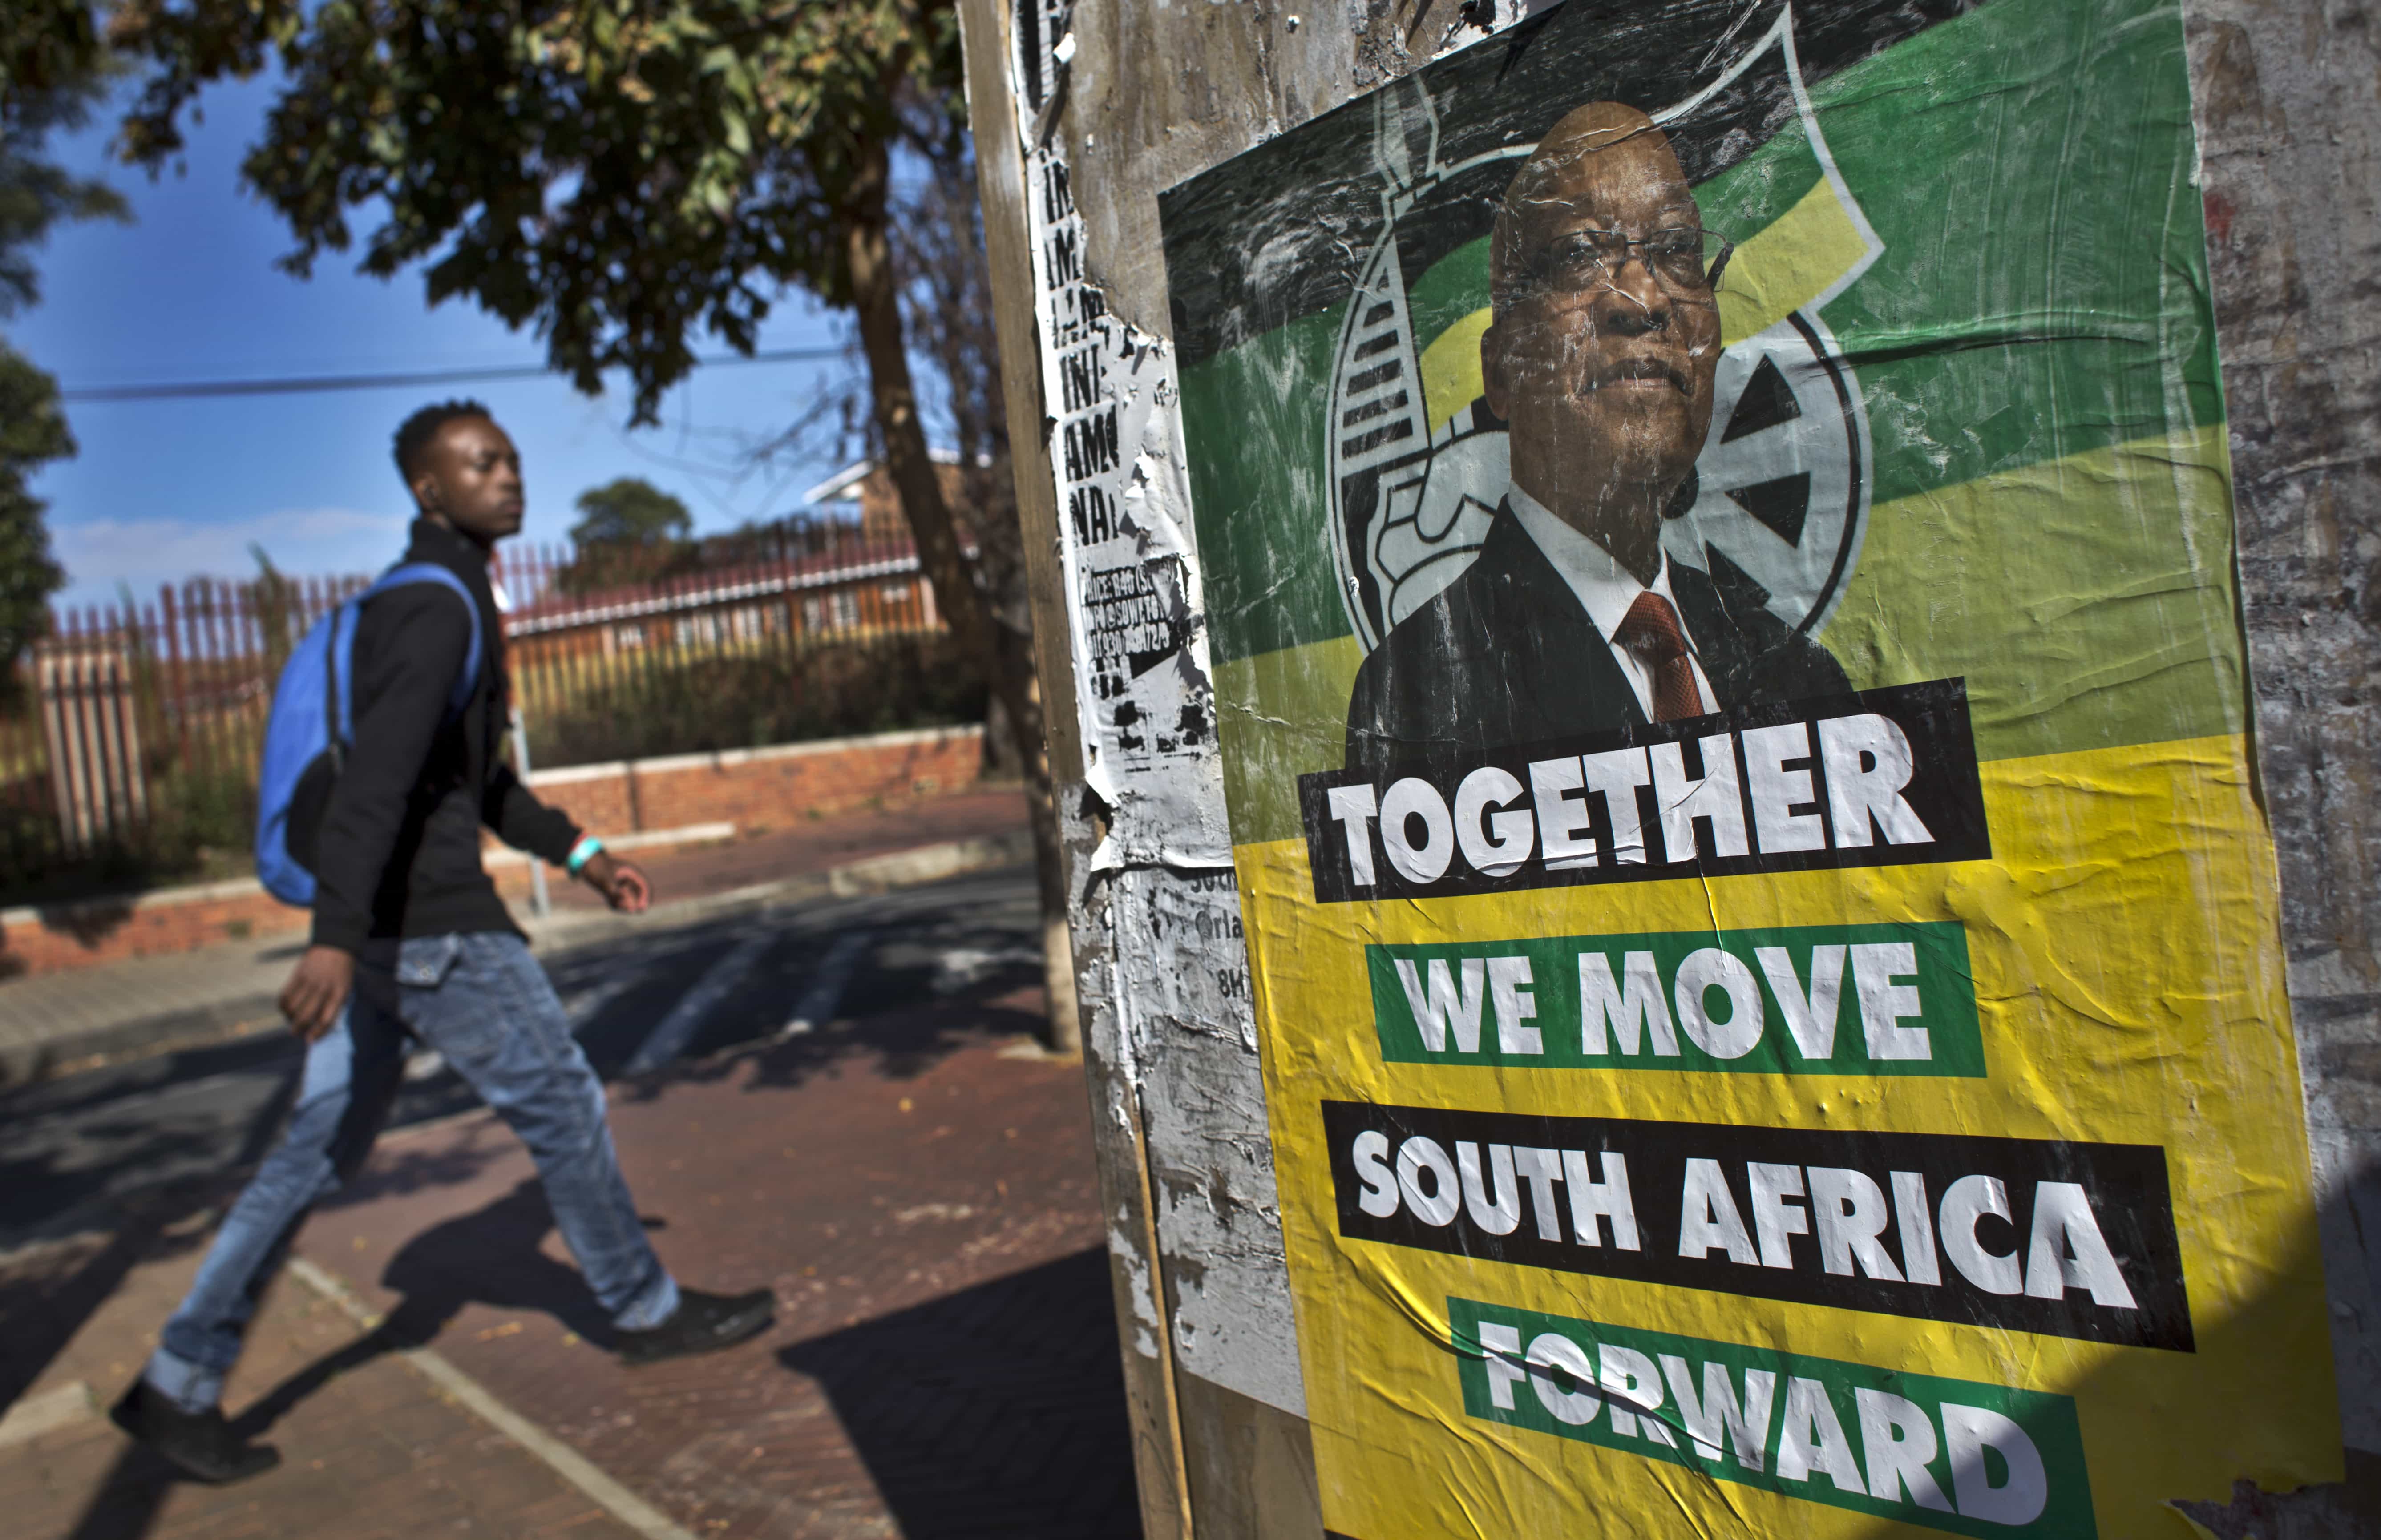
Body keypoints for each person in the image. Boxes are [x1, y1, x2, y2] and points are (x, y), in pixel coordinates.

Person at [111, 401, 776, 1484]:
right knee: (563, 1104)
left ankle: (178, 1380)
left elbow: (476, 784)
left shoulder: (446, 596)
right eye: (482, 463)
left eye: (510, 459)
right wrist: (332, 939)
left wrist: (584, 855)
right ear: (430, 490)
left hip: (384, 933)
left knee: (312, 1153)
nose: (509, 477)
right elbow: (376, 783)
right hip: (426, 930)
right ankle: (646, 1311)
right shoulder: (434, 608)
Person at [1344, 103, 1848, 776]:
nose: (1645, 298)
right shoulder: (1420, 691)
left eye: (1676, 251)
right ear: (1501, 369)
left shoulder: (1798, 674)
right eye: (1582, 254)